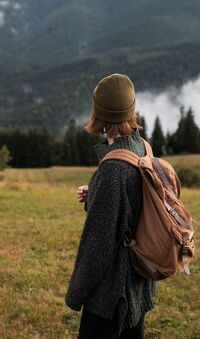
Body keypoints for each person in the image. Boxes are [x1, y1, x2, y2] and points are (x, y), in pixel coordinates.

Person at [65, 73, 156, 339]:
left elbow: (98, 245)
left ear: (99, 114)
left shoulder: (113, 169)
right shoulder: (142, 147)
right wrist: (95, 194)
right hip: (138, 282)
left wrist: (76, 293)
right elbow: (131, 200)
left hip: (110, 296)